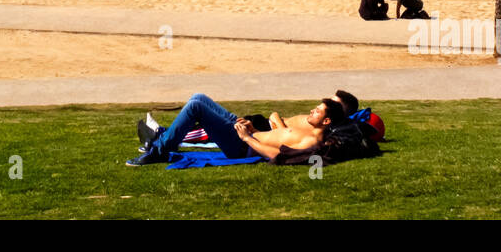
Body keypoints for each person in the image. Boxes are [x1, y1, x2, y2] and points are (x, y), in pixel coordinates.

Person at [127, 94, 345, 165]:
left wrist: (247, 138)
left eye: (318, 111)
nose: (312, 111)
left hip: (241, 146)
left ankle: (159, 151)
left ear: (326, 122)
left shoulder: (310, 142)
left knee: (195, 107)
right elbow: (274, 138)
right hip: (248, 133)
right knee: (199, 98)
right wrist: (250, 129)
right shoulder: (308, 132)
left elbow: (278, 156)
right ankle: (159, 141)